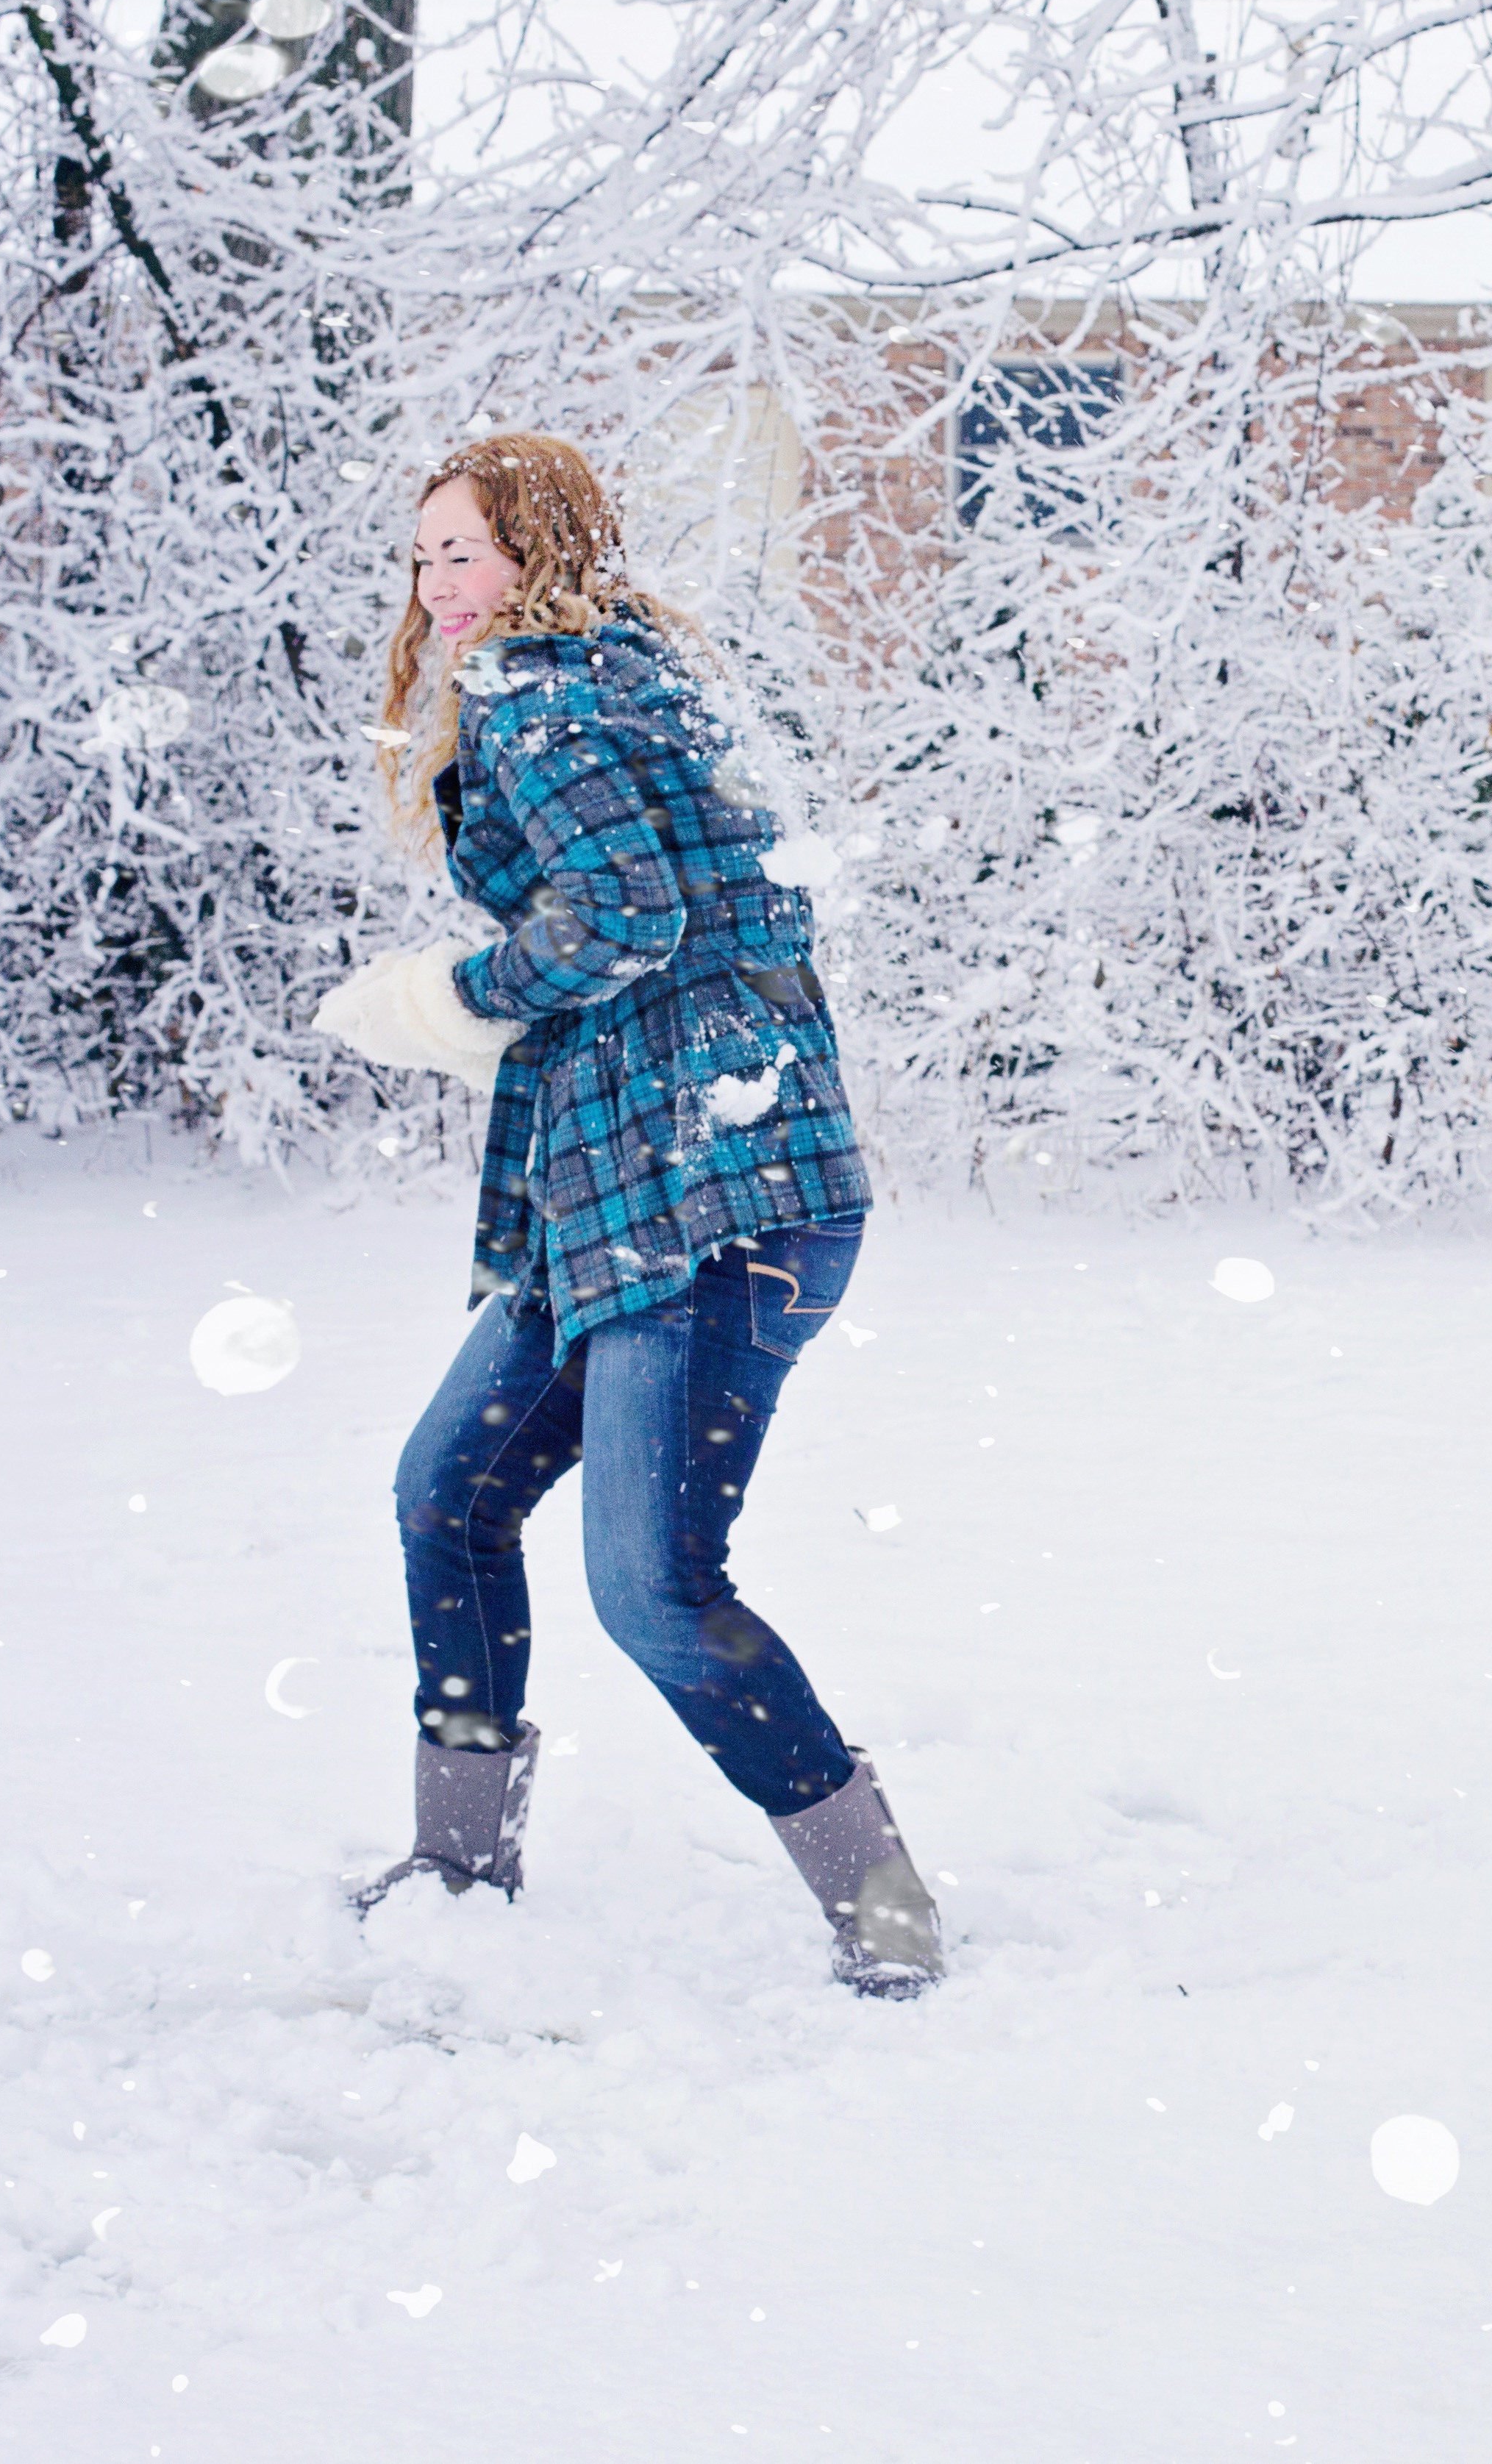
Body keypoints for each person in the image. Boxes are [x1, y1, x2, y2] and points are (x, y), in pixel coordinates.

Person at [313, 433, 943, 1999]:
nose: (436, 588)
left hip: (711, 1198)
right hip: (646, 1192)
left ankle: (885, 1909)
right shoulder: (636, 675)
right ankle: (459, 1869)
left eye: (463, 552)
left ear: (542, 552)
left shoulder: (545, 686)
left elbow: (628, 917)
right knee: (446, 1492)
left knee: (653, 1585)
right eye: (422, 559)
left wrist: (452, 995)